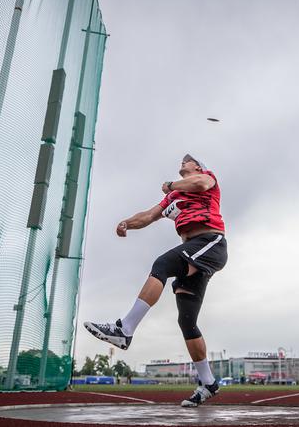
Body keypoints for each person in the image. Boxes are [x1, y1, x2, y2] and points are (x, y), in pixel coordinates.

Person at [84, 154, 227, 407]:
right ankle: (208, 383)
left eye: (188, 161)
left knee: (162, 264)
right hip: (193, 250)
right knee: (187, 321)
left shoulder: (206, 178)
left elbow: (201, 185)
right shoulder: (172, 196)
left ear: (198, 166)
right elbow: (149, 215)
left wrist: (171, 184)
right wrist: (127, 223)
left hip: (210, 242)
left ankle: (124, 329)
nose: (183, 162)